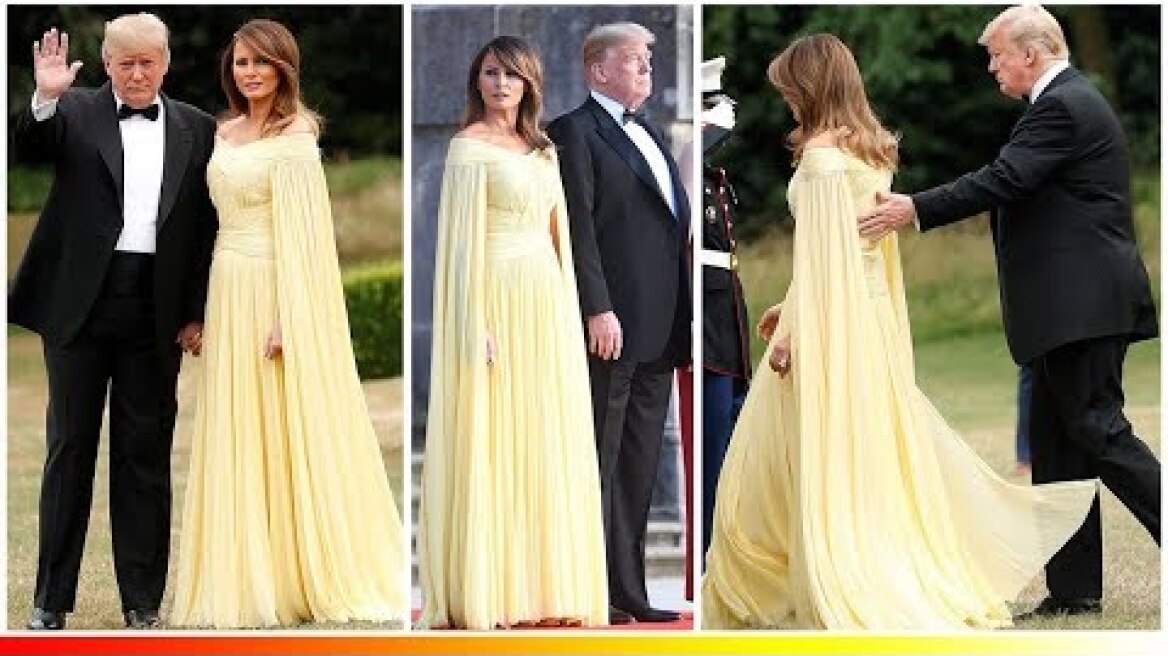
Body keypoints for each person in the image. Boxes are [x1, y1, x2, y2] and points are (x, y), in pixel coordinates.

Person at [701, 33, 1098, 630]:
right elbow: (856, 252)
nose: (784, 100)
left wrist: (795, 328)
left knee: (815, 451)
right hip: (869, 314)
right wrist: (792, 304)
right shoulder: (872, 152)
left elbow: (823, 252)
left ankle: (838, 565)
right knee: (871, 445)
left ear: (809, 87)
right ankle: (881, 554)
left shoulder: (820, 160)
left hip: (833, 320)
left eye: (788, 88)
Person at [859, 5, 1160, 618]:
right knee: (1056, 446)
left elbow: (1003, 178)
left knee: (1099, 431)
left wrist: (913, 208)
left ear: (1032, 52)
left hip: (1084, 304)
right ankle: (1074, 591)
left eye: (997, 54)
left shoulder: (1063, 106)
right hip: (1066, 309)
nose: (992, 66)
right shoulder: (1060, 104)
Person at [168, 19, 405, 628]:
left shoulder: (297, 134)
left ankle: (299, 573)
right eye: (241, 62)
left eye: (261, 63)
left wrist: (289, 315)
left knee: (283, 427)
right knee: (236, 428)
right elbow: (203, 229)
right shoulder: (218, 134)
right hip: (227, 285)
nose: (249, 72)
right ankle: (249, 572)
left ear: (283, 70)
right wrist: (195, 310)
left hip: (275, 289)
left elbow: (307, 237)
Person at [10, 14, 217, 630]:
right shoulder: (69, 111)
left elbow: (207, 228)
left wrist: (195, 310)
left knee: (144, 454)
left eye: (147, 61)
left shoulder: (197, 128)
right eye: (124, 62)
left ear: (166, 62)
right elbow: (27, 145)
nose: (136, 72)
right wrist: (44, 96)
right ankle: (50, 601)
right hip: (77, 304)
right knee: (68, 448)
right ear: (105, 62)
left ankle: (142, 603)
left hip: (155, 309)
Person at [418, 35, 608, 631]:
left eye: (512, 75)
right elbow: (458, 249)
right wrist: (474, 323)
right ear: (477, 80)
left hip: (544, 300)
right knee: (494, 437)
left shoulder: (544, 149)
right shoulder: (466, 149)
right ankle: (493, 588)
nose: (500, 84)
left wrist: (570, 311)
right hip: (494, 296)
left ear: (529, 84)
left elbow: (560, 236)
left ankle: (546, 588)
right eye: (491, 73)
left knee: (543, 435)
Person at [547, 22, 690, 625]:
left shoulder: (652, 131)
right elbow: (578, 226)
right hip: (610, 326)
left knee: (637, 466)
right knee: (600, 460)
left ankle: (631, 590)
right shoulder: (572, 132)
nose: (646, 69)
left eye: (649, 60)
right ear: (598, 70)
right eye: (634, 60)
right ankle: (593, 586)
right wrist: (596, 307)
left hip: (660, 327)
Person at [697, 56, 751, 561]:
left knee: (733, 434)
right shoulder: (689, 164)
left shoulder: (715, 174)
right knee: (712, 443)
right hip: (707, 322)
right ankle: (711, 548)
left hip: (728, 314)